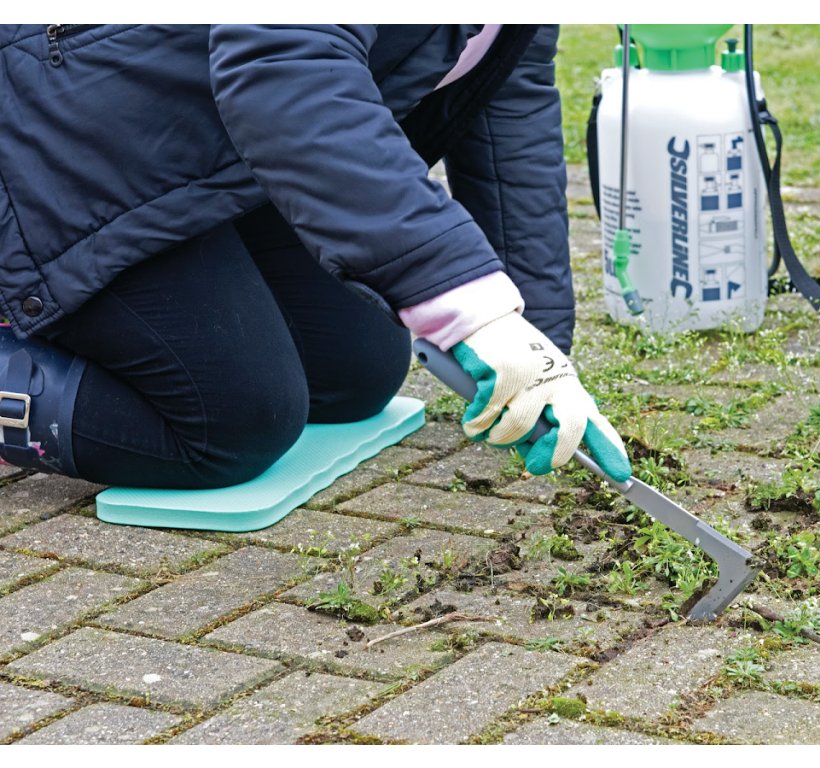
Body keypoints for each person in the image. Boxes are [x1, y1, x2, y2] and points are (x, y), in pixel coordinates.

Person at [0, 24, 631, 490]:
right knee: (232, 425)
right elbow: (285, 63)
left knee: (356, 372)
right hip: (64, 140)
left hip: (204, 151)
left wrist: (538, 348)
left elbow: (508, 127)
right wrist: (469, 308)